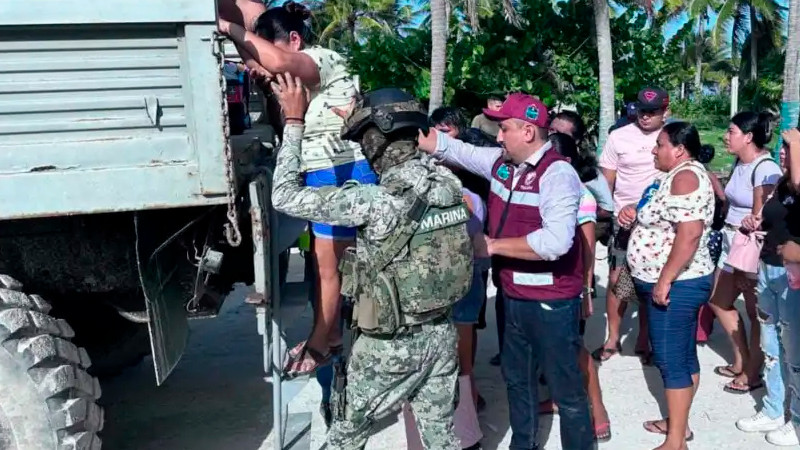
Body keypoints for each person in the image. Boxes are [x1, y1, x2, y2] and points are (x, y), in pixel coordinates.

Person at [270, 76, 471, 449]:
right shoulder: (447, 184)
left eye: (365, 140)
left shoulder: (373, 202)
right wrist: (366, 117)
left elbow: (283, 195)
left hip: (387, 347)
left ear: (375, 141)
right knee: (441, 440)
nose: (364, 149)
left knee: (345, 439)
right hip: (442, 335)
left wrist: (294, 123)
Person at [418, 93, 594, 449]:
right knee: (517, 380)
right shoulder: (502, 163)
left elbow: (557, 241)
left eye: (504, 128)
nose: (498, 136)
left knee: (567, 390)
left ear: (528, 132)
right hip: (512, 295)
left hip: (551, 302)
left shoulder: (558, 174)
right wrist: (414, 130)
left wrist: (493, 246)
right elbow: (455, 150)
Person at [218, 2, 378, 376]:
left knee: (336, 270)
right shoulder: (301, 83)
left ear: (294, 39)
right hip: (323, 173)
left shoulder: (321, 58)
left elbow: (276, 62)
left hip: (345, 171)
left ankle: (325, 342)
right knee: (327, 270)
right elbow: (273, 78)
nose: (260, 67)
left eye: (266, 50)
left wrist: (229, 26)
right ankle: (330, 337)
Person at [619, 122, 715, 450]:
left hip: (679, 284)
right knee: (684, 356)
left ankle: (675, 441)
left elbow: (689, 234)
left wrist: (664, 279)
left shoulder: (686, 176)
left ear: (679, 149)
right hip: (677, 281)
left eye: (659, 144)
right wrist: (636, 212)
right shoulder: (674, 176)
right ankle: (679, 424)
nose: (653, 149)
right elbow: (663, 218)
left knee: (671, 359)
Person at [538, 133, 612, 442]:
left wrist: (585, 291)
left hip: (570, 285)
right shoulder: (538, 187)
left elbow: (588, 247)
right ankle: (557, 398)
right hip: (541, 285)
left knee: (574, 348)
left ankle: (597, 406)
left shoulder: (581, 195)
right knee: (551, 348)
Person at [706, 111, 782, 394]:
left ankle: (753, 373)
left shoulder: (765, 169)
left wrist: (743, 265)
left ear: (748, 137)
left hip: (749, 247)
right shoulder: (739, 162)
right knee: (719, 301)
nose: (726, 136)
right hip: (729, 241)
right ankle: (742, 358)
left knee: (754, 311)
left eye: (731, 131)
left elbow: (759, 215)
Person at [593, 87, 669, 364]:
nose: (645, 116)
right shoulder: (618, 136)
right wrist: (608, 212)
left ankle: (644, 338)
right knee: (616, 279)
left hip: (661, 223)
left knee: (651, 281)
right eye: (641, 110)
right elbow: (607, 182)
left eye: (652, 111)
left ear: (665, 112)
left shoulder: (673, 138)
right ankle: (612, 338)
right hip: (623, 221)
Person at [735, 127, 800, 447]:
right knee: (772, 348)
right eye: (784, 147)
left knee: (795, 353)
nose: (784, 153)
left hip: (794, 279)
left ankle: (798, 422)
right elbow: (773, 218)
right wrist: (756, 222)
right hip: (768, 271)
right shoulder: (781, 184)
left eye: (790, 148)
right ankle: (775, 408)